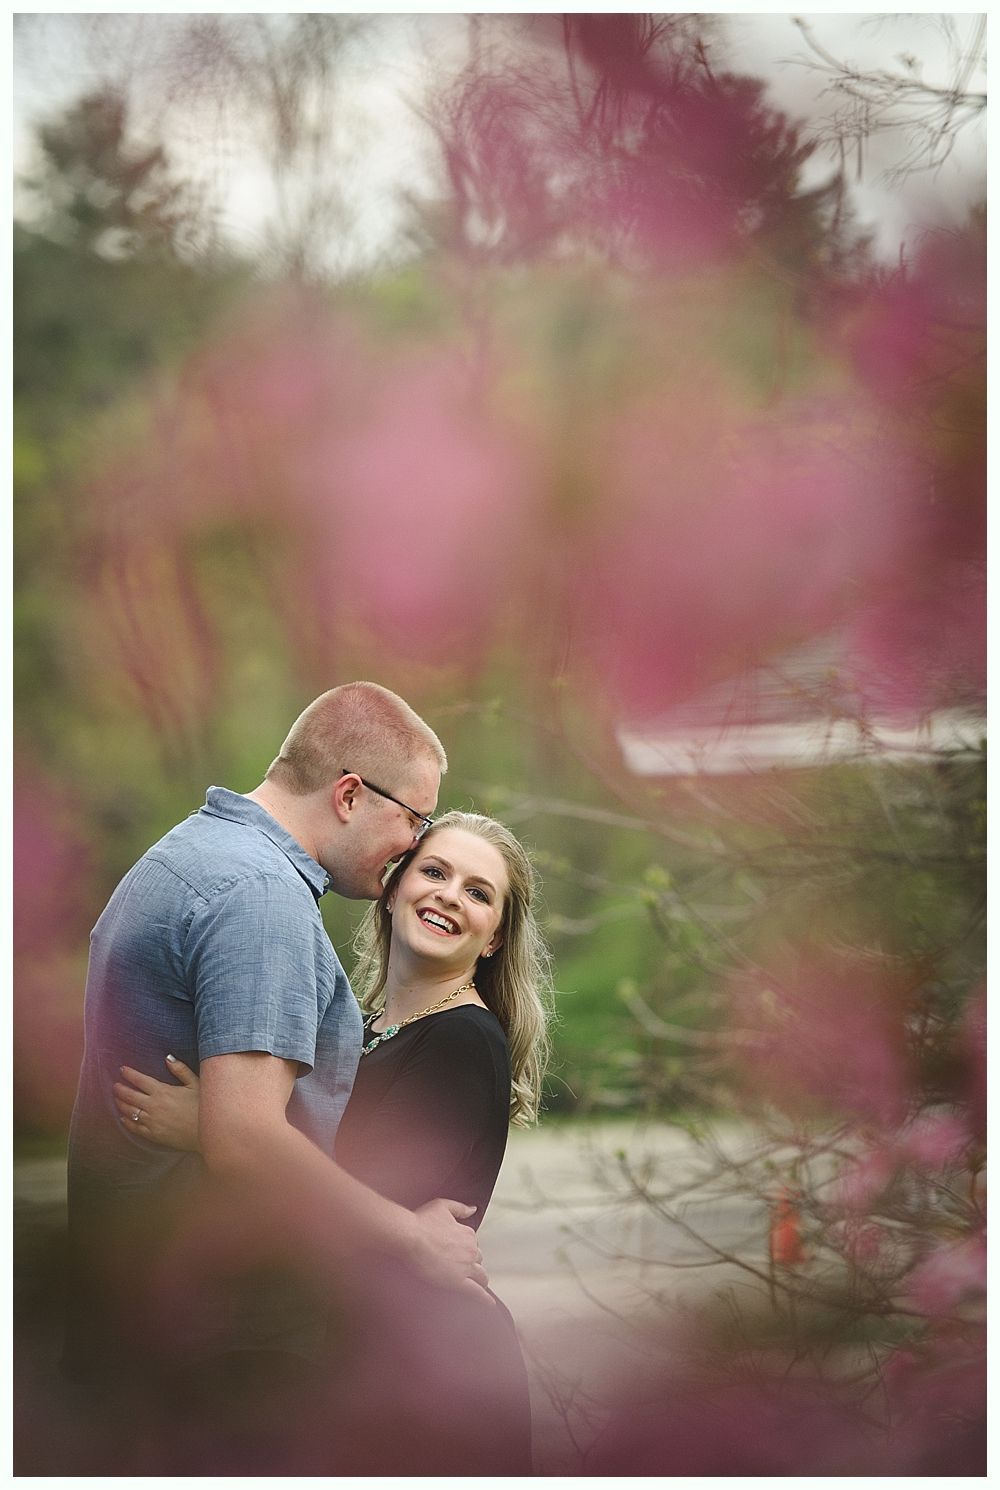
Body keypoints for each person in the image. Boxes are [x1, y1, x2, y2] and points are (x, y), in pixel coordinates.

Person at [63, 683, 489, 1451]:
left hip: (141, 1311)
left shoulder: (186, 853)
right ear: (351, 795)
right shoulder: (262, 899)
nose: (415, 842)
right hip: (221, 1336)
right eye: (414, 817)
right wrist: (412, 1236)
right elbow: (245, 1139)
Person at [112, 811, 552, 1473]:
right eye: (434, 872)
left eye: (478, 892)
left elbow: (348, 1205)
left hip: (425, 1374)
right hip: (358, 1357)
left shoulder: (464, 1039)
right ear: (397, 885)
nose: (448, 896)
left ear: (493, 938)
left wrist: (216, 1128)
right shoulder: (366, 1024)